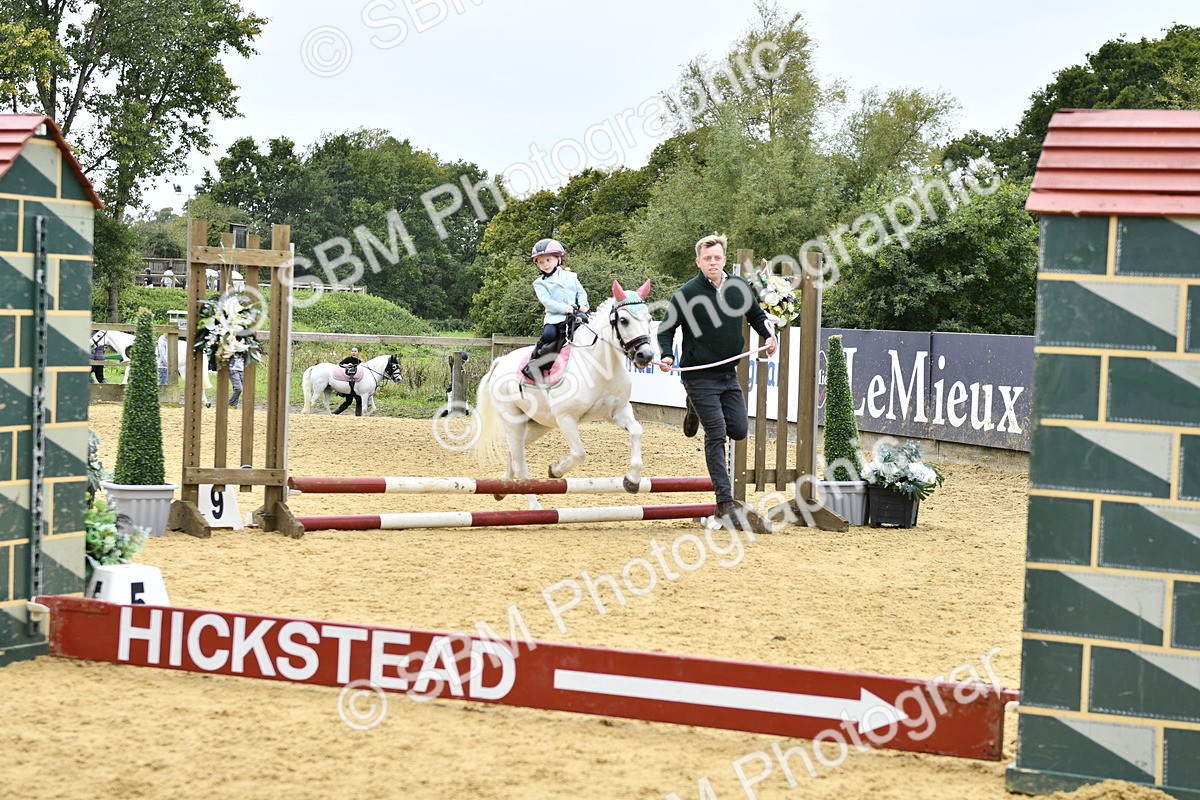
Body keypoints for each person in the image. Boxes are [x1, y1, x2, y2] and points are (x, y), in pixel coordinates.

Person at [656, 233, 777, 526]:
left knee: (738, 429)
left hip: (728, 374)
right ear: (698, 261)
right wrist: (667, 356)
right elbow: (666, 330)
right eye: (707, 258)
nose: (713, 262)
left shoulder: (739, 287)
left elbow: (757, 316)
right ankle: (724, 502)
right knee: (717, 433)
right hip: (698, 376)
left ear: (724, 260)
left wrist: (769, 335)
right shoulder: (686, 294)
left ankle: (693, 407)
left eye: (718, 258)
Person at [521, 238, 589, 382]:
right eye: (540, 262)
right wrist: (565, 308)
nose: (545, 264)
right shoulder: (539, 283)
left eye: (548, 260)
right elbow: (547, 302)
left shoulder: (571, 276)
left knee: (589, 331)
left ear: (559, 259)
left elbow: (581, 292)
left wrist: (583, 304)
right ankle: (535, 365)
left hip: (575, 314)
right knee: (549, 335)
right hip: (555, 317)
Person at [333, 346, 364, 416]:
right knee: (348, 401)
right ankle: (335, 413)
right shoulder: (347, 359)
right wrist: (347, 366)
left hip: (356, 385)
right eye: (352, 351)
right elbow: (340, 365)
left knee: (359, 400)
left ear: (358, 352)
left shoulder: (360, 362)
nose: (353, 353)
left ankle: (358, 415)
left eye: (355, 351)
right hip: (348, 384)